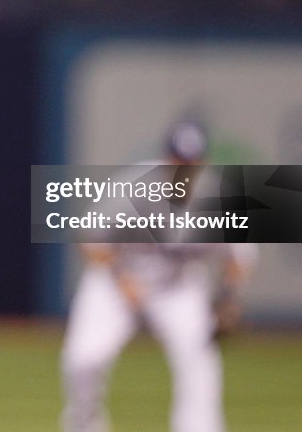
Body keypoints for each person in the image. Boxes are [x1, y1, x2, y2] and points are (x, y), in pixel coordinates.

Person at [60, 121, 257, 432]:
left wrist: (230, 299)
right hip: (116, 280)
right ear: (167, 159)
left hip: (177, 286)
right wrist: (124, 281)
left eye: (191, 163)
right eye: (178, 161)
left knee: (199, 362)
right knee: (84, 358)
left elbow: (239, 258)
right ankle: (84, 426)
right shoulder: (136, 184)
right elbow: (90, 239)